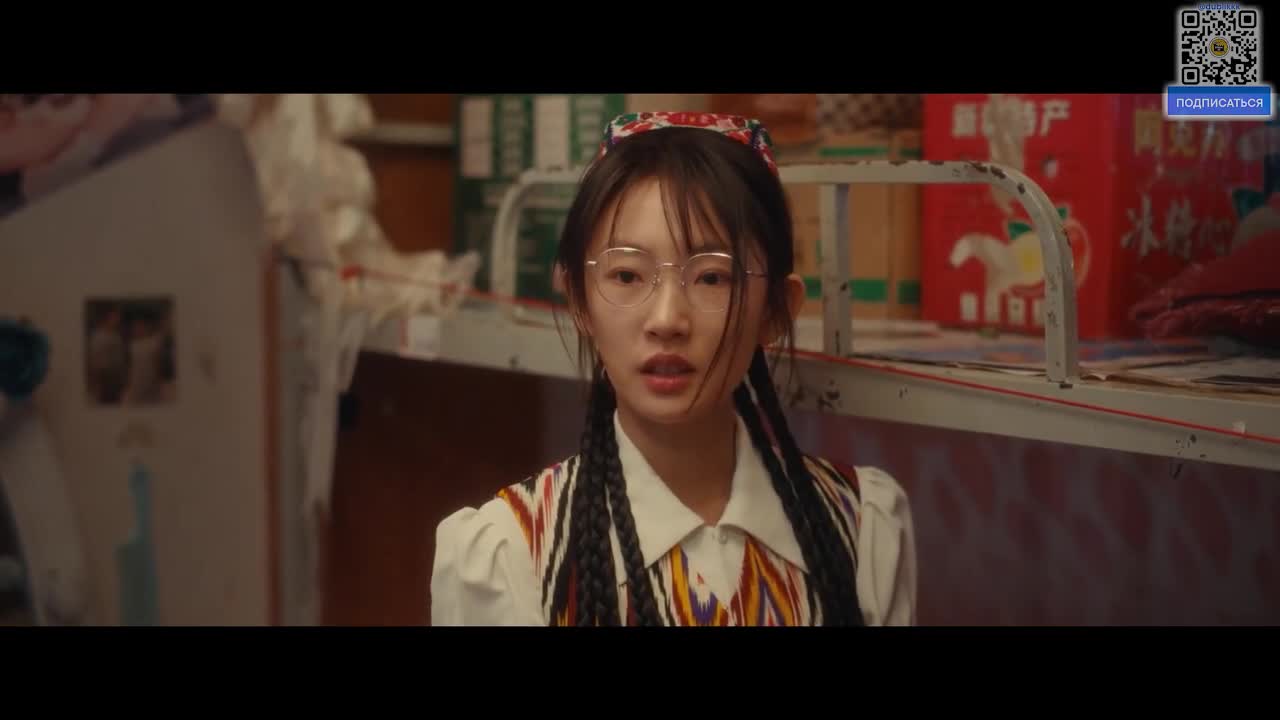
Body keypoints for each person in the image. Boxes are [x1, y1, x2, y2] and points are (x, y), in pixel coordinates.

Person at [430, 111, 917, 626]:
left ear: (776, 310)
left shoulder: (861, 528)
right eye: (626, 275)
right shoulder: (512, 553)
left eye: (711, 277)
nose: (666, 320)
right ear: (579, 300)